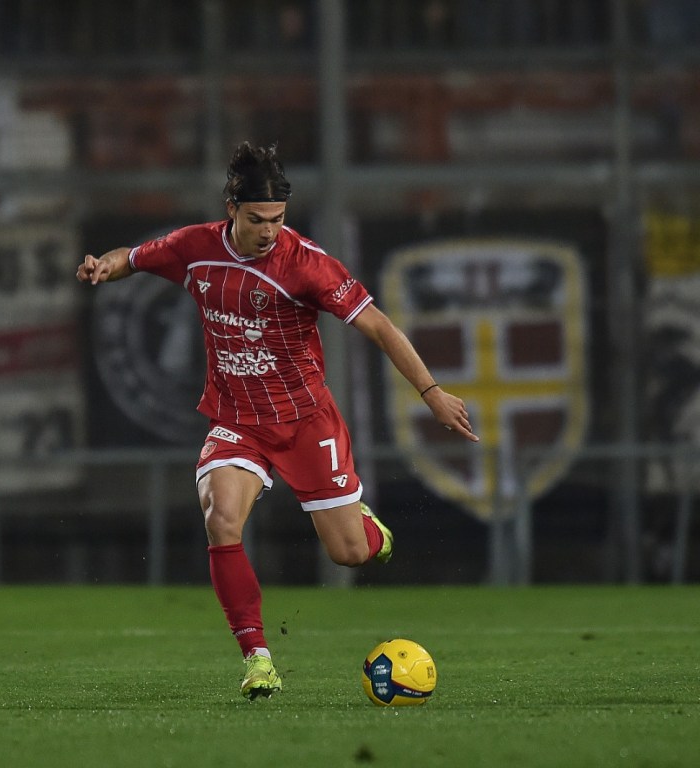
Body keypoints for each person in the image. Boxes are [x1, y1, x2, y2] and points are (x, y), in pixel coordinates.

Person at [76, 142, 478, 700]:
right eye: (258, 220)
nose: (269, 231)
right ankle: (258, 659)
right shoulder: (195, 247)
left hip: (305, 420)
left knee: (350, 554)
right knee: (221, 518)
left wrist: (431, 392)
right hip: (238, 420)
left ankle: (365, 526)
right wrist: (104, 265)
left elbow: (381, 326)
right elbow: (134, 257)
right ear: (231, 209)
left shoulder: (307, 265)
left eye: (278, 220)